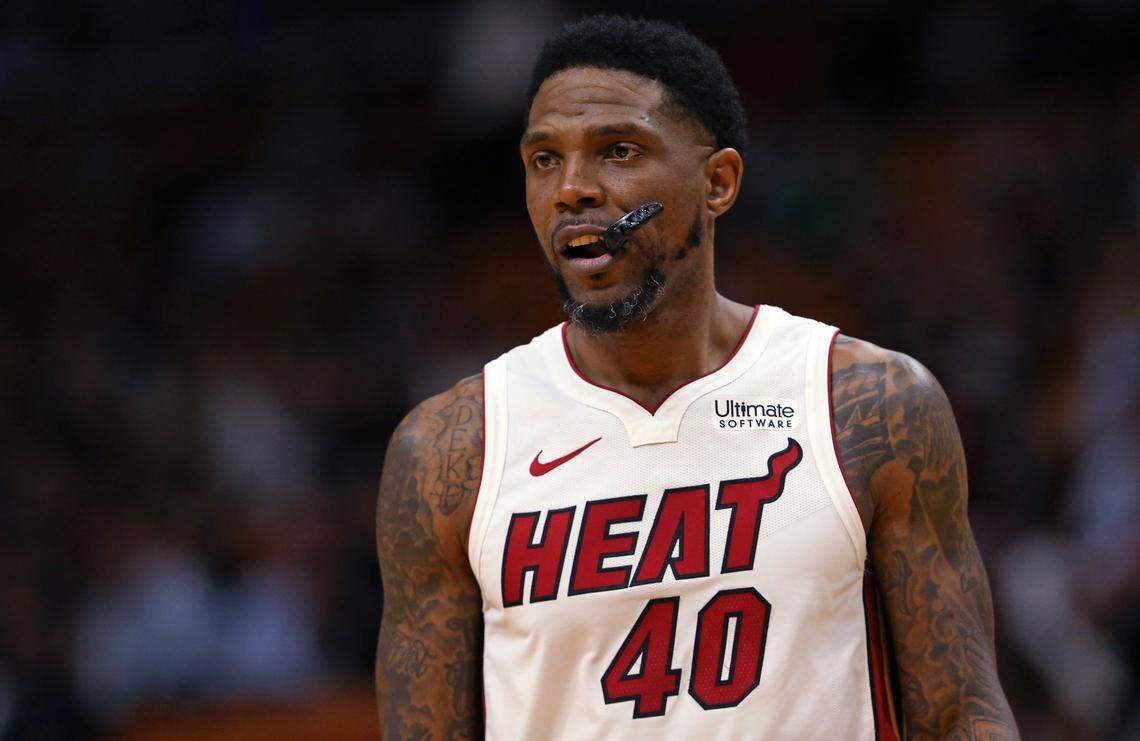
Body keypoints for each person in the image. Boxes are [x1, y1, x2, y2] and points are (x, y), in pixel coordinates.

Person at [376, 14, 1018, 740]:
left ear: (718, 182)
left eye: (618, 150)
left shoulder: (869, 405)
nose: (573, 189)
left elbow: (961, 712)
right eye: (545, 159)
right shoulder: (448, 452)